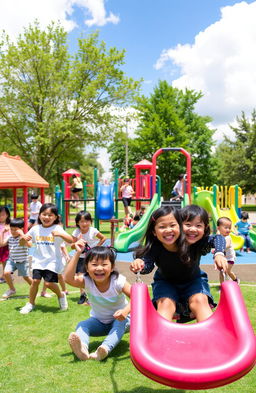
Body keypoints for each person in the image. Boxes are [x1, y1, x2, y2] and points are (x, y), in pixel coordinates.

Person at [130, 205, 227, 323]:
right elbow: (148, 265)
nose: (168, 230)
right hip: (165, 283)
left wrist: (219, 253)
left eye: (172, 225)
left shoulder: (193, 242)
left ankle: (209, 337)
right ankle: (161, 338)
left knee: (200, 300)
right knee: (165, 304)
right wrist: (141, 264)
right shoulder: (156, 247)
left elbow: (219, 238)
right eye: (162, 227)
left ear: (178, 226)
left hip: (194, 281)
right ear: (154, 232)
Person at [65, 241, 131, 361]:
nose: (99, 268)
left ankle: (104, 349)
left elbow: (138, 297)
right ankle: (82, 350)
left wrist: (125, 311)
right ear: (87, 267)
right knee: (82, 325)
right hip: (100, 322)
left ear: (111, 268)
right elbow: (68, 279)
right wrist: (77, 253)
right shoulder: (86, 281)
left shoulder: (118, 281)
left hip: (122, 320)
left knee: (119, 323)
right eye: (94, 264)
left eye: (104, 264)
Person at [19, 203, 73, 314]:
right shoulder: (35, 229)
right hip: (38, 261)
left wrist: (60, 234)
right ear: (39, 216)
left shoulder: (57, 228)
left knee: (48, 284)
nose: (47, 217)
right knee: (35, 281)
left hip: (53, 261)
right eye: (44, 214)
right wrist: (24, 238)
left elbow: (70, 240)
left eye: (50, 215)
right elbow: (23, 243)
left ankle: (61, 295)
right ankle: (31, 304)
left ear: (56, 217)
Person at [72, 211, 106, 305]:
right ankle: (82, 295)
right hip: (81, 257)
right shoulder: (76, 232)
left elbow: (103, 238)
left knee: (93, 276)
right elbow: (71, 245)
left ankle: (94, 296)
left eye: (86, 221)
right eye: (81, 221)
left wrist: (95, 248)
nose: (84, 224)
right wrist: (77, 243)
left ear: (90, 221)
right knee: (79, 276)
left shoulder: (93, 231)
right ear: (77, 222)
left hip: (92, 258)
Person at [0, 218, 32, 299]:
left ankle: (34, 287)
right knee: (6, 273)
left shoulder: (23, 237)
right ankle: (12, 289)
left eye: (15, 230)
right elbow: (1, 244)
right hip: (12, 260)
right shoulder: (10, 237)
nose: (13, 231)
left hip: (22, 261)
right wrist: (3, 233)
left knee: (26, 277)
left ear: (21, 229)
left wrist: (22, 234)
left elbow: (29, 245)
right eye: (11, 229)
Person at [217, 217, 240, 285]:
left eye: (229, 228)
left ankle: (235, 279)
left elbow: (226, 246)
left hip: (230, 258)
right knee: (222, 271)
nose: (228, 230)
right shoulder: (219, 236)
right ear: (219, 228)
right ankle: (222, 286)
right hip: (223, 258)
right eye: (226, 228)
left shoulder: (228, 237)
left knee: (228, 271)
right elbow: (217, 235)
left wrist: (217, 249)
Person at [0, 206, 11, 284]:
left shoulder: (10, 225)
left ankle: (4, 276)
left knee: (5, 261)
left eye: (3, 214)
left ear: (7, 215)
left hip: (6, 245)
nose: (1, 216)